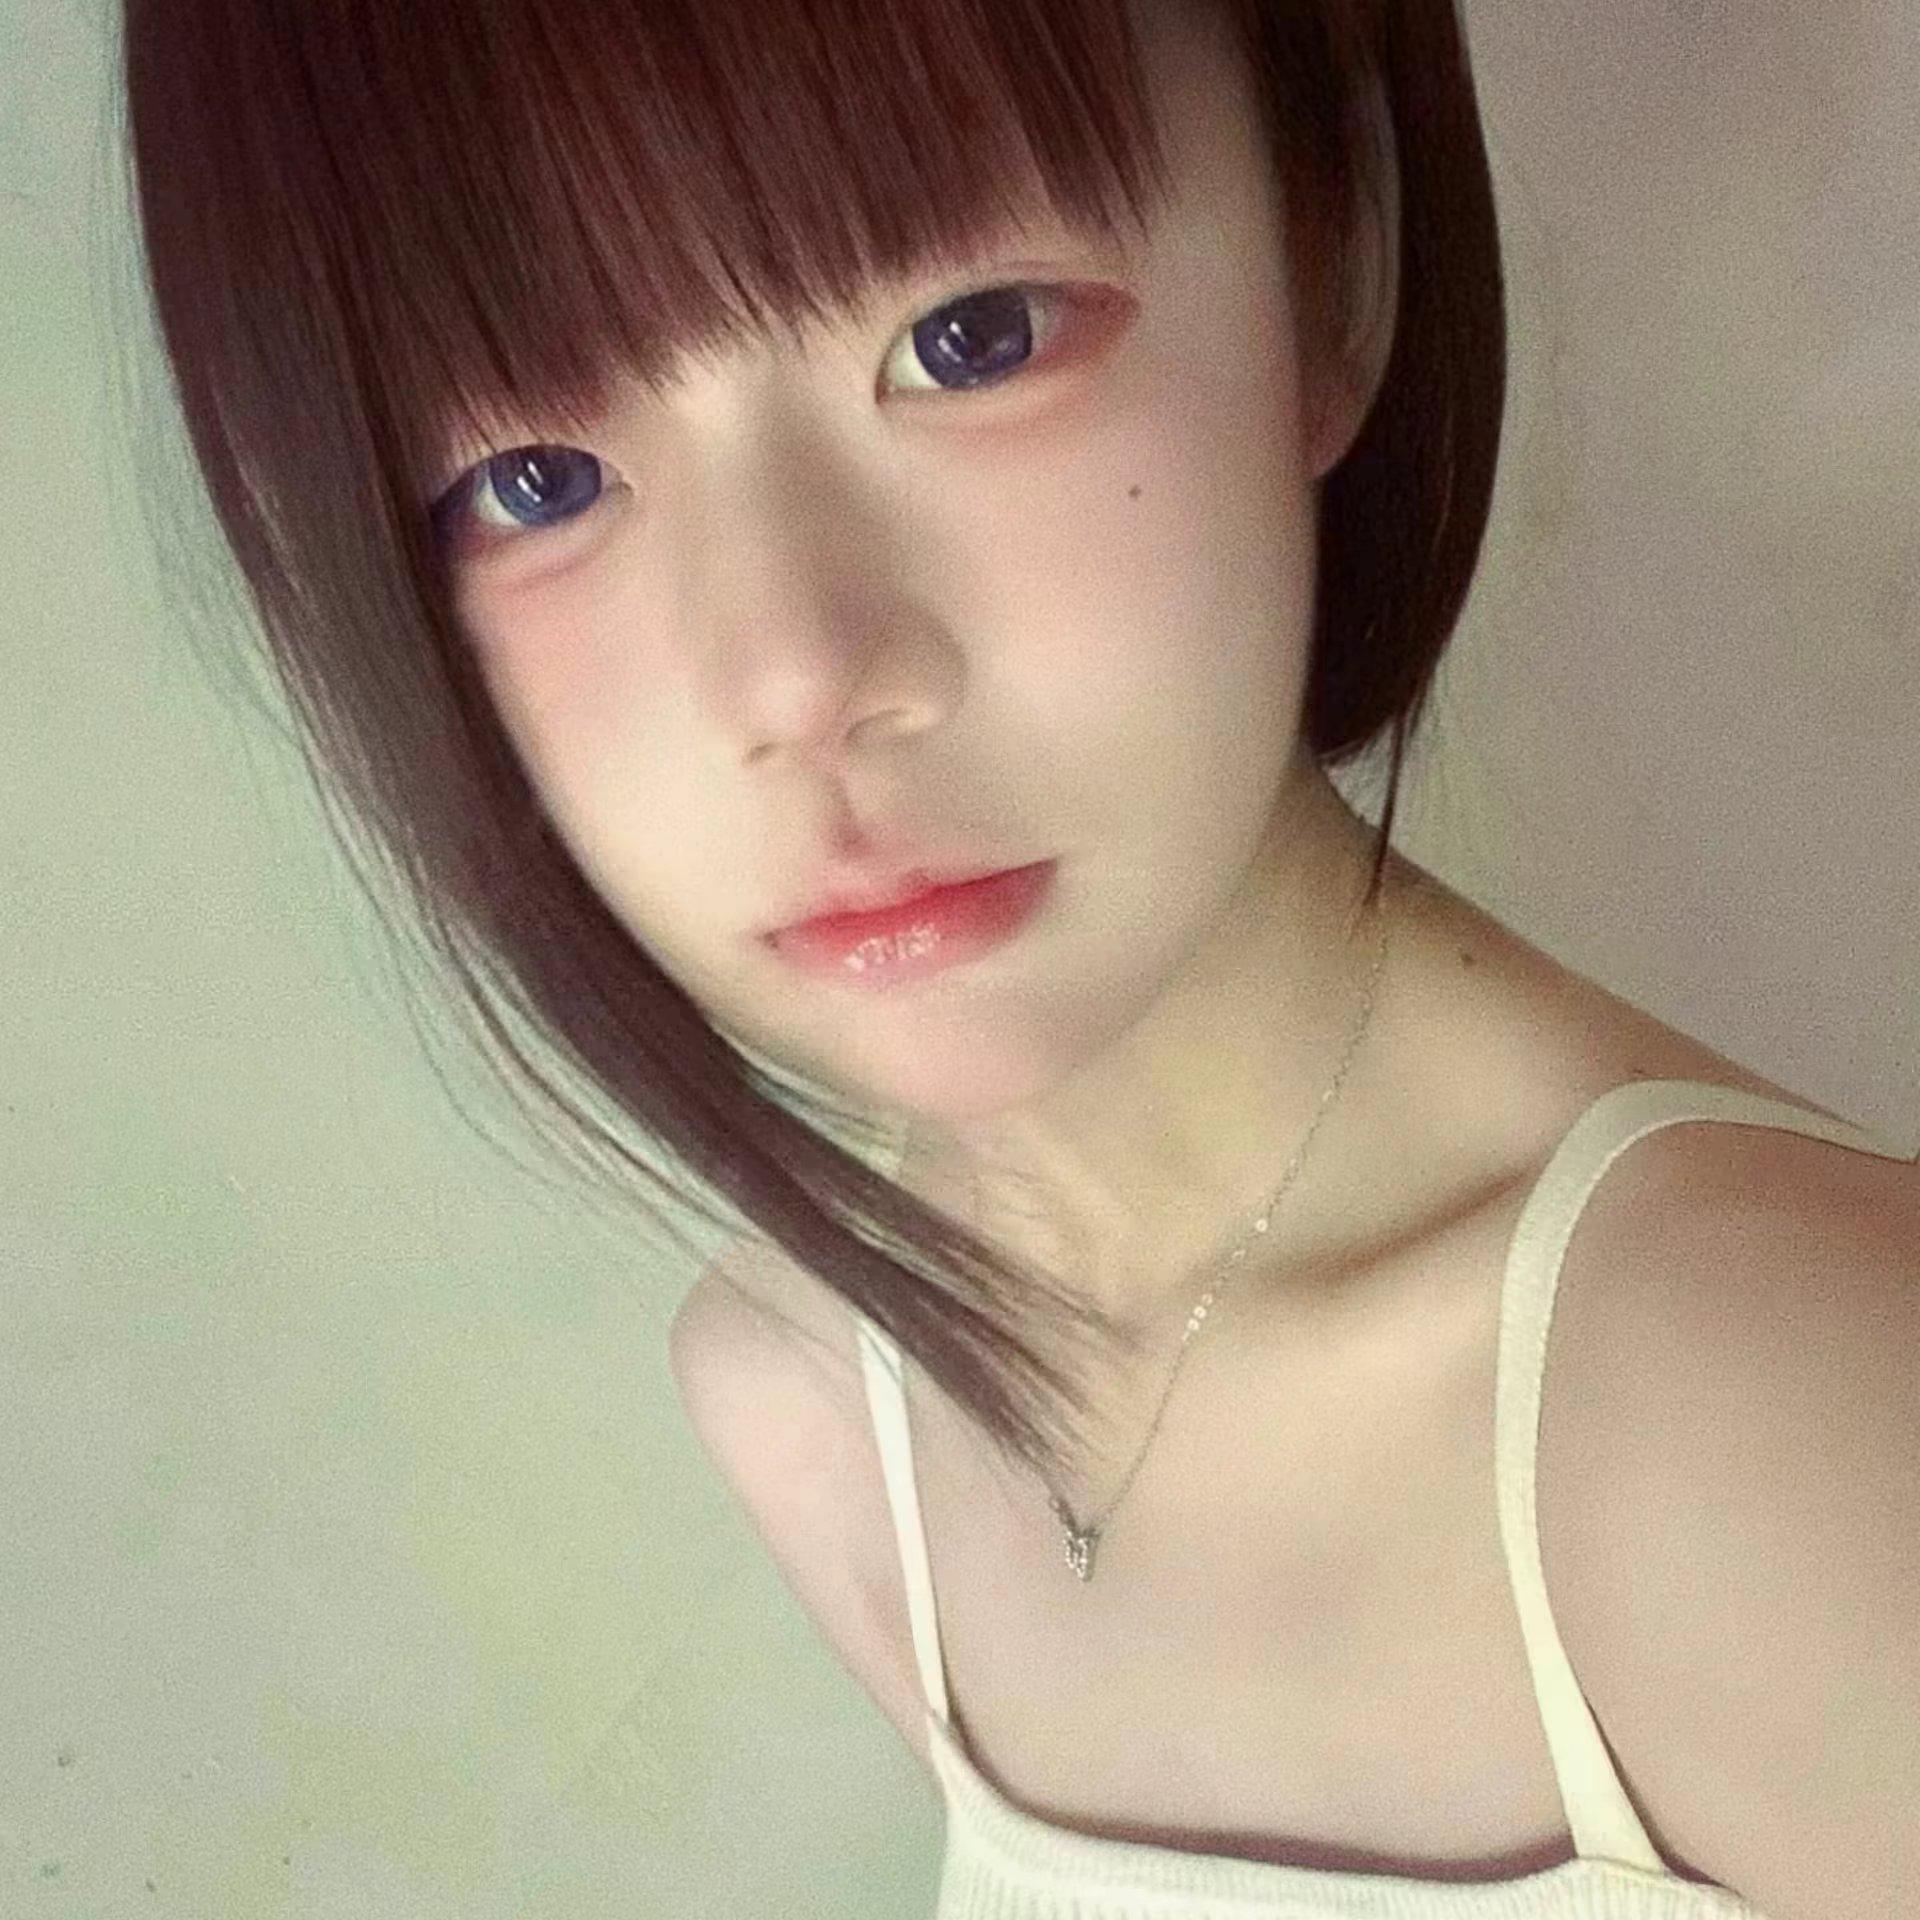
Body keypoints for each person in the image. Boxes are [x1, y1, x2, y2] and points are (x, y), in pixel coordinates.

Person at [119, 0, 1914, 1913]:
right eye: (535, 480)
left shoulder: (1777, 1420)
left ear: (1332, 263)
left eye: (970, 338)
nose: (798, 675)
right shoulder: (814, 1399)